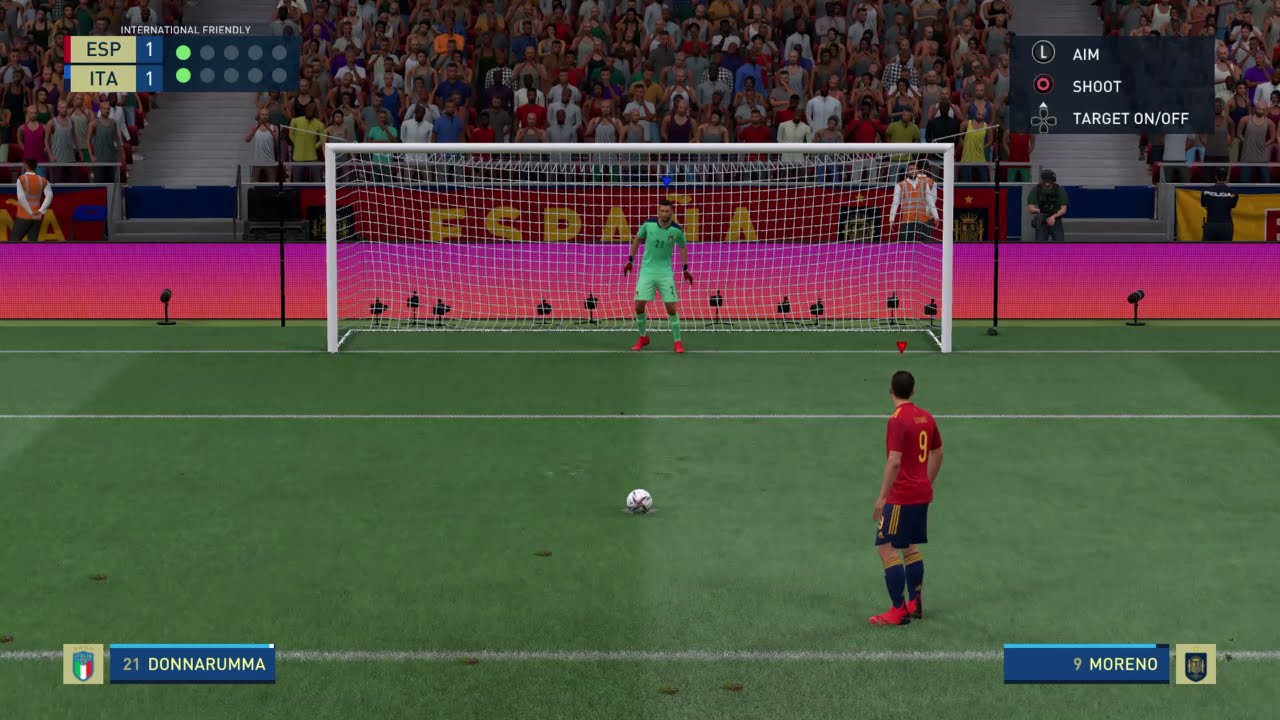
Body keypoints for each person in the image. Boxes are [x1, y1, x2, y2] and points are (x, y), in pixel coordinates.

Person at [869, 371, 943, 626]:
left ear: (891, 391)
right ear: (913, 390)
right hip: (921, 493)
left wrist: (882, 498)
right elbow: (938, 452)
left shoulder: (897, 420)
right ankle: (915, 603)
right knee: (910, 546)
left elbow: (894, 461)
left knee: (886, 547)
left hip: (901, 496)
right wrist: (927, 483)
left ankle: (898, 610)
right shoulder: (927, 416)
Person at [623, 199, 694, 353]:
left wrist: (685, 269)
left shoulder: (677, 230)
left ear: (672, 212)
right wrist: (630, 260)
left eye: (667, 211)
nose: (664, 214)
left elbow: (683, 247)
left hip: (665, 273)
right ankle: (643, 337)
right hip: (647, 271)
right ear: (658, 211)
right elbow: (637, 239)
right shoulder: (648, 225)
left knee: (671, 308)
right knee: (638, 305)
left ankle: (677, 341)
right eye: (662, 211)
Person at [888, 160, 939, 243]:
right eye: (911, 169)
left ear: (918, 170)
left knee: (926, 244)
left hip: (923, 219)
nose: (913, 171)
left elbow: (930, 201)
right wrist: (891, 219)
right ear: (907, 171)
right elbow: (895, 203)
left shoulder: (924, 183)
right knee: (906, 245)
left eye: (914, 169)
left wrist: (936, 216)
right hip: (907, 219)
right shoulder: (900, 185)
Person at [14, 158, 53, 243]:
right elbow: (49, 196)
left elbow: (21, 197)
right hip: (37, 217)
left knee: (13, 242)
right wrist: (41, 211)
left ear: (25, 165)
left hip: (23, 216)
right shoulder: (43, 180)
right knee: (32, 243)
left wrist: (30, 212)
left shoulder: (21, 179)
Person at [1027, 169, 1068, 242]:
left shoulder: (1060, 190)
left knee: (1060, 244)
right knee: (1041, 244)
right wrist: (1041, 211)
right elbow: (1030, 208)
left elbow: (1063, 209)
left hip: (1056, 220)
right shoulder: (1036, 189)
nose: (1047, 185)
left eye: (1049, 182)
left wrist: (1053, 217)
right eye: (1045, 182)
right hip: (1042, 220)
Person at [1201, 167, 1238, 242]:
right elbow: (1232, 206)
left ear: (1215, 177)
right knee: (1225, 249)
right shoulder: (1233, 193)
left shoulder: (1205, 192)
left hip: (1211, 224)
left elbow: (1205, 206)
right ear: (1227, 178)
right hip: (1226, 225)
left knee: (1208, 249)